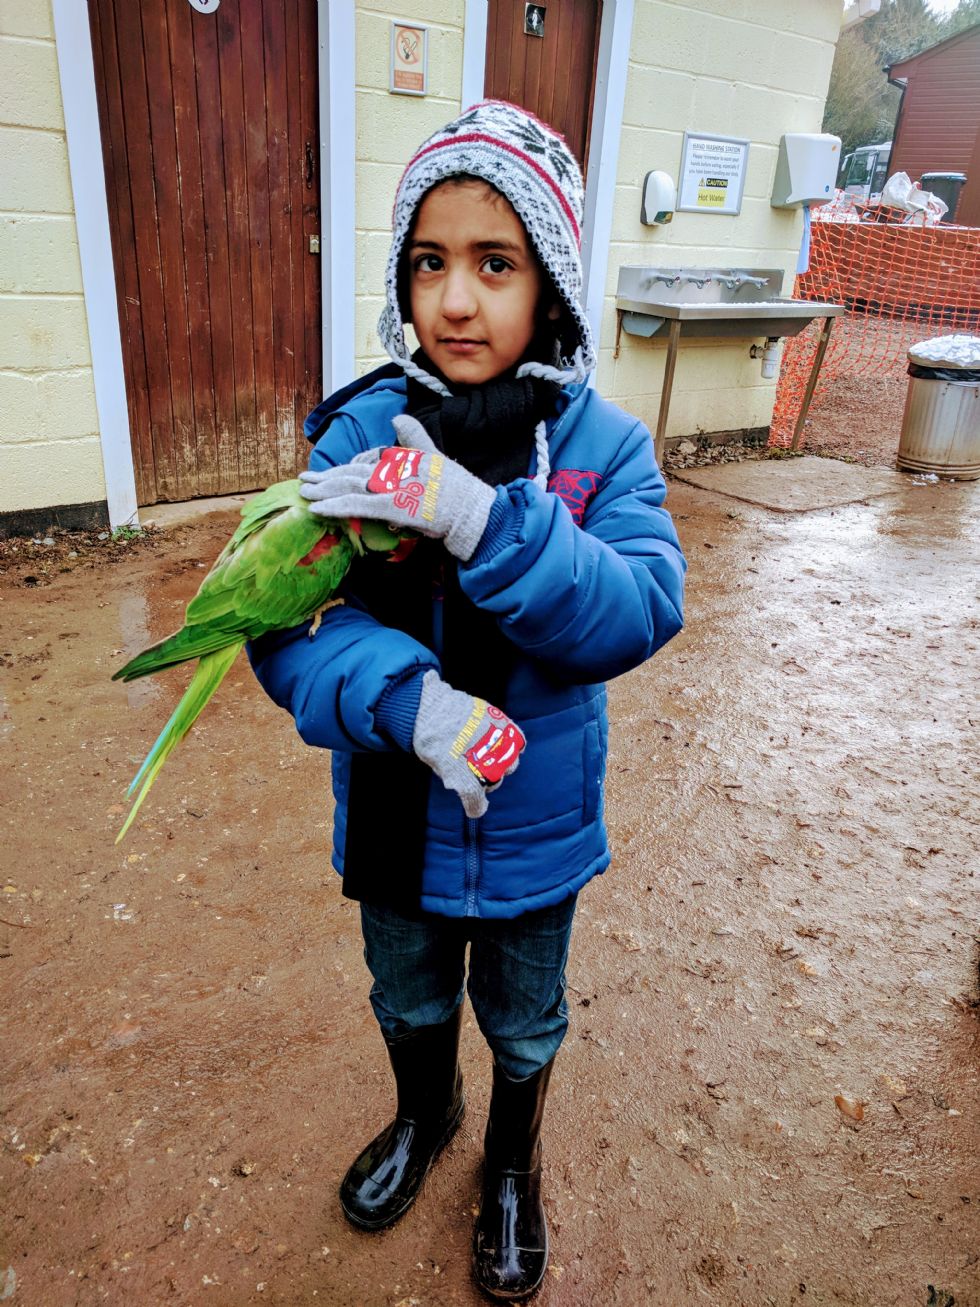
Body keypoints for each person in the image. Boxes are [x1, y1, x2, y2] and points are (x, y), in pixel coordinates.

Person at [249, 100, 686, 1302]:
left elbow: (638, 608)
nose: (454, 301)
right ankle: (424, 1113)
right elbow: (286, 627)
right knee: (406, 987)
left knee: (526, 1015)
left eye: (494, 263)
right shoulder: (354, 432)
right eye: (428, 263)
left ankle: (508, 1157)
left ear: (548, 279)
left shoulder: (601, 445)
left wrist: (480, 517)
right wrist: (409, 705)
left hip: (535, 827)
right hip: (396, 809)